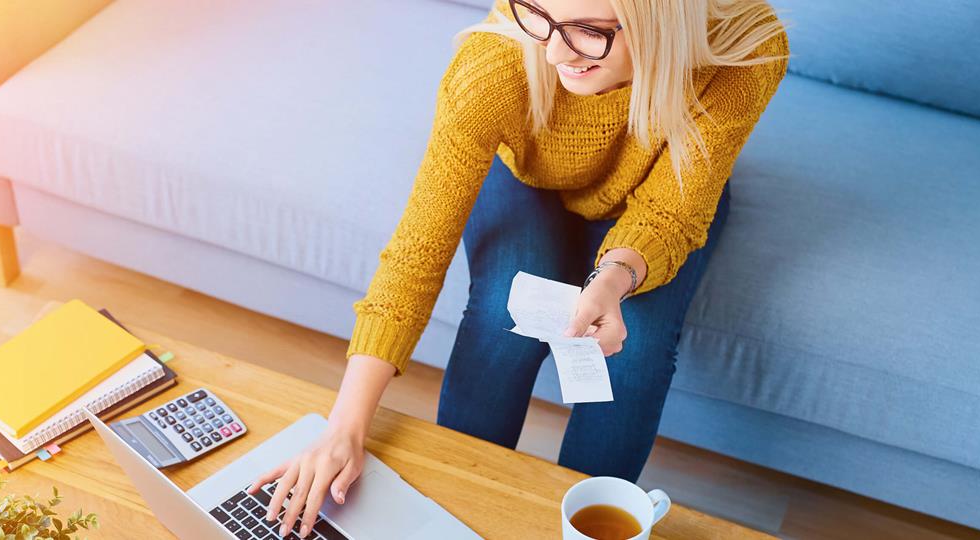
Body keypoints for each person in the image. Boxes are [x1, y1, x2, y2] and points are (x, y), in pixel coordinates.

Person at [252, 0, 790, 536]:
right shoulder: (498, 62)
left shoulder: (745, 48)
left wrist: (615, 276)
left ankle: (589, 522)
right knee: (500, 313)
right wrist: (343, 427)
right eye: (539, 13)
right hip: (526, 177)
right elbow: (417, 252)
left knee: (638, 350)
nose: (554, 51)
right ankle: (452, 510)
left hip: (664, 192)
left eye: (588, 30)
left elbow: (672, 211)